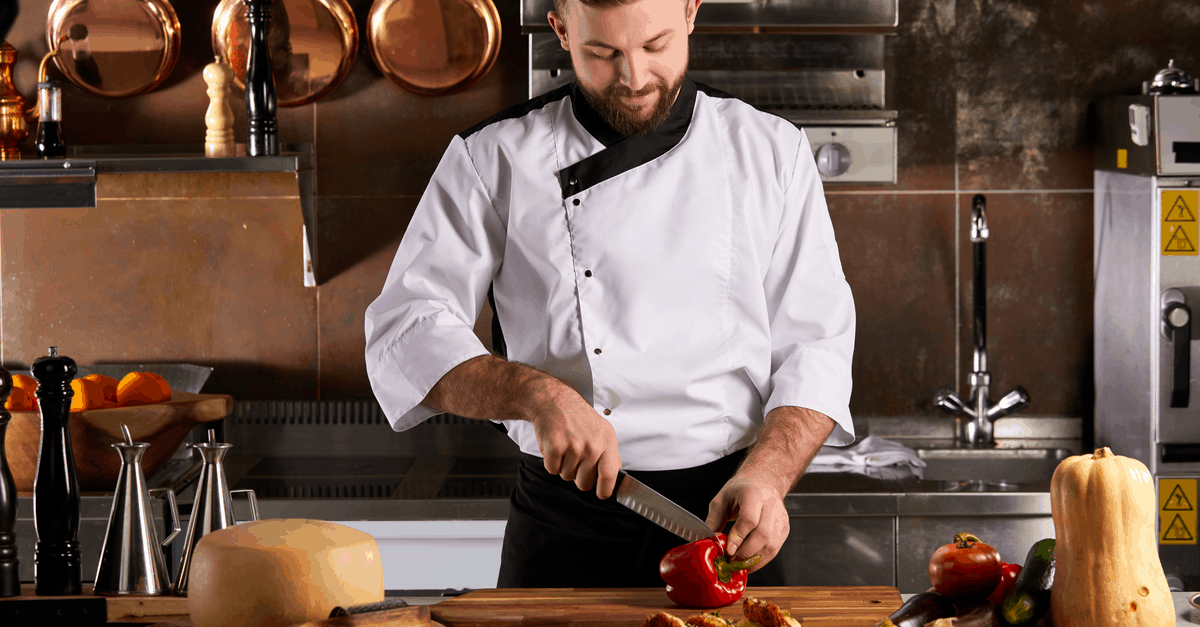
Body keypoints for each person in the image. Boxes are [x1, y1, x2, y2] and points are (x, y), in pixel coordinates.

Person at [364, 0, 856, 587]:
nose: (635, 79)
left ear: (692, 11)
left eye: (655, 46)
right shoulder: (491, 157)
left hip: (726, 514)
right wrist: (538, 396)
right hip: (564, 521)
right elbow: (405, 330)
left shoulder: (771, 150)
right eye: (604, 53)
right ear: (561, 31)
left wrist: (770, 477)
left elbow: (816, 345)